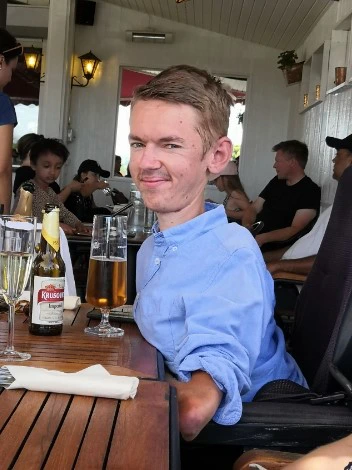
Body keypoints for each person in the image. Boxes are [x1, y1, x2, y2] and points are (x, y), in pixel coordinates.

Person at [128, 64, 306, 442]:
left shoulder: (231, 255)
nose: (145, 162)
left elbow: (194, 410)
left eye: (170, 144)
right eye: (138, 143)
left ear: (217, 155)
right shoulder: (152, 248)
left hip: (248, 444)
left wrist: (101, 384)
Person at [266, 133, 352, 276]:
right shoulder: (340, 204)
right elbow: (300, 248)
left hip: (292, 283)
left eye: (338, 154)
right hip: (285, 266)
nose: (333, 159)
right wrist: (261, 256)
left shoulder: (346, 210)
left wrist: (277, 266)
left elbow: (334, 260)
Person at [242, 140, 321, 249]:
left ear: (292, 162)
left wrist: (262, 238)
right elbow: (254, 207)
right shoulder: (277, 181)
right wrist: (247, 226)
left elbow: (295, 229)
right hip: (254, 239)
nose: (274, 166)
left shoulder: (310, 191)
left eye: (278, 161)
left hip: (275, 247)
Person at [13, 138, 88, 235]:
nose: (52, 172)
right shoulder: (27, 189)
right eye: (46, 166)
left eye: (58, 167)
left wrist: (78, 223)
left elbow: (64, 213)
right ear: (33, 165)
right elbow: (24, 221)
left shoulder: (50, 192)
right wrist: (56, 225)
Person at [0, 28, 23, 213]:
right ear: (1, 61)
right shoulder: (2, 102)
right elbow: (2, 167)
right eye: (11, 69)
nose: (10, 77)